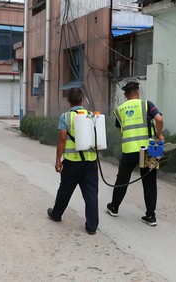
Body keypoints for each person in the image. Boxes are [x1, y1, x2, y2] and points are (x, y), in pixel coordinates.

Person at [106, 78, 164, 226]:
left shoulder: (119, 110)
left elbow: (120, 130)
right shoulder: (147, 105)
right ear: (138, 91)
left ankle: (114, 207)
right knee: (150, 182)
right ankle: (150, 216)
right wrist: (159, 134)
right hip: (148, 150)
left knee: (122, 179)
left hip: (129, 151)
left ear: (125, 95)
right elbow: (159, 119)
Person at [47, 87, 99, 235]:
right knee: (91, 194)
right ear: (82, 100)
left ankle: (56, 215)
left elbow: (62, 137)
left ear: (68, 101)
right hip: (90, 161)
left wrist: (58, 159)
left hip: (72, 162)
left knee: (65, 189)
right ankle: (92, 226)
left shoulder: (66, 116)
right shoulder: (91, 116)